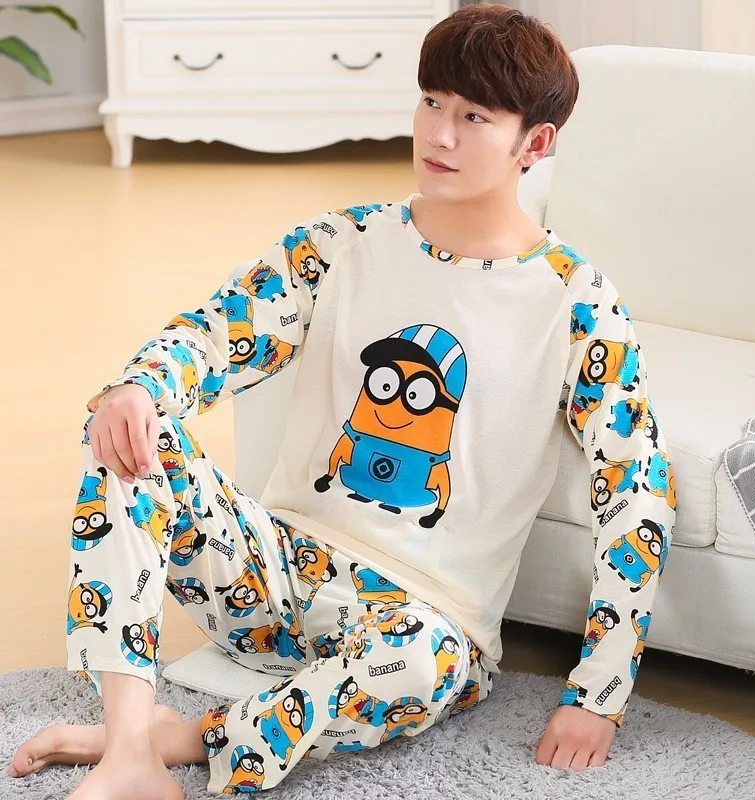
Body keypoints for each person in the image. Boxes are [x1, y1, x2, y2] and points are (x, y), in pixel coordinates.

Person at [9, 3, 676, 797]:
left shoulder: (575, 302)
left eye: (474, 117)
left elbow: (636, 490)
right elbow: (215, 334)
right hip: (272, 576)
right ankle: (126, 748)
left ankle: (182, 739)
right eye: (431, 101)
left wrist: (598, 694)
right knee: (122, 425)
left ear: (534, 144)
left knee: (417, 664)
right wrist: (141, 386)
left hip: (423, 622)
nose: (440, 135)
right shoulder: (339, 243)